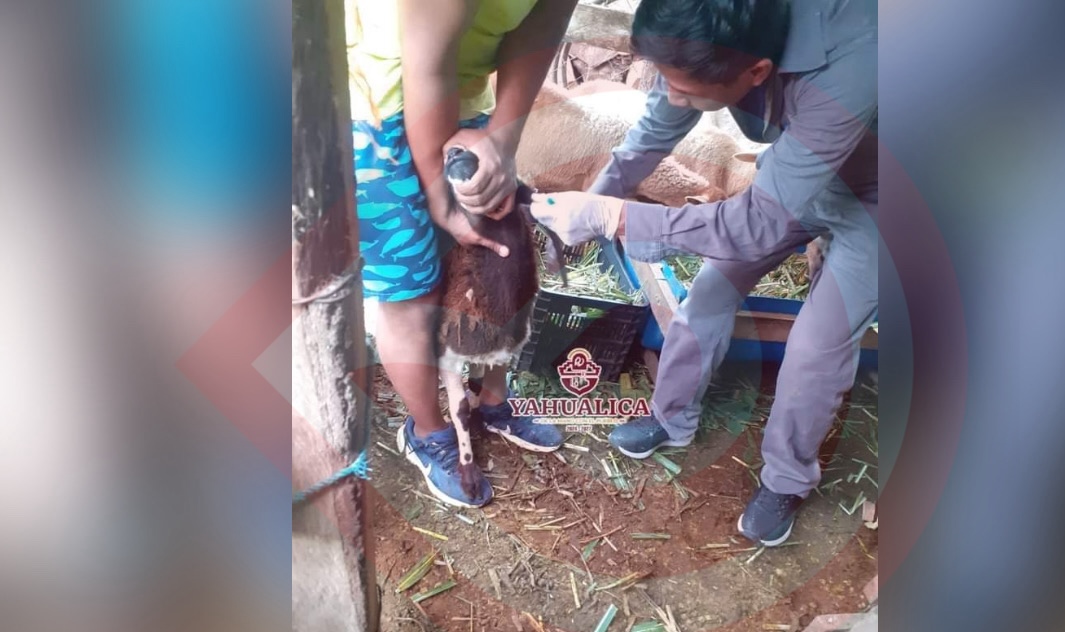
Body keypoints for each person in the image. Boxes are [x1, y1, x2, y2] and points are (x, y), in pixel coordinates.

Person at [531, 0, 877, 544]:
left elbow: (757, 224)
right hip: (793, 178)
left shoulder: (859, 56)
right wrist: (591, 205)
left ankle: (786, 481)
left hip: (879, 203)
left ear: (757, 71)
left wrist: (614, 218)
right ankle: (671, 418)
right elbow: (650, 135)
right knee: (709, 293)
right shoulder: (708, 33)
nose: (672, 97)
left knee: (816, 348)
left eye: (685, 89)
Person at [347, 0, 576, 507]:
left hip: (467, 102)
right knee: (413, 292)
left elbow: (542, 24)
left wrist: (502, 139)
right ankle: (428, 433)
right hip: (380, 113)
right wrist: (436, 190)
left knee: (495, 263)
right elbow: (427, 64)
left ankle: (491, 399)